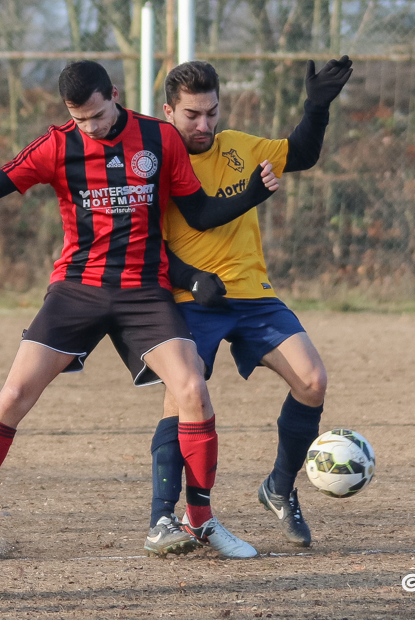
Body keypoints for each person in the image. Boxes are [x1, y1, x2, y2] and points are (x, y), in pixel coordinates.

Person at [0, 60, 281, 559]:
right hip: (77, 289)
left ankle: (203, 521)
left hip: (145, 292)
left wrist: (254, 192)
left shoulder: (160, 139)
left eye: (98, 116)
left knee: (192, 388)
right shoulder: (58, 145)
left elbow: (200, 213)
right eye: (80, 118)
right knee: (14, 393)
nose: (91, 127)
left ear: (115, 95)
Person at [144, 57, 352, 555]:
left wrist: (317, 107)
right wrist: (191, 281)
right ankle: (162, 517)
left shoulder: (238, 146)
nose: (204, 125)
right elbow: (145, 242)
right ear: (168, 110)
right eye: (192, 115)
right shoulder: (153, 161)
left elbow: (301, 152)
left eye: (211, 112)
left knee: (313, 381)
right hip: (191, 299)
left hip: (254, 295)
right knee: (183, 396)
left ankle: (279, 487)